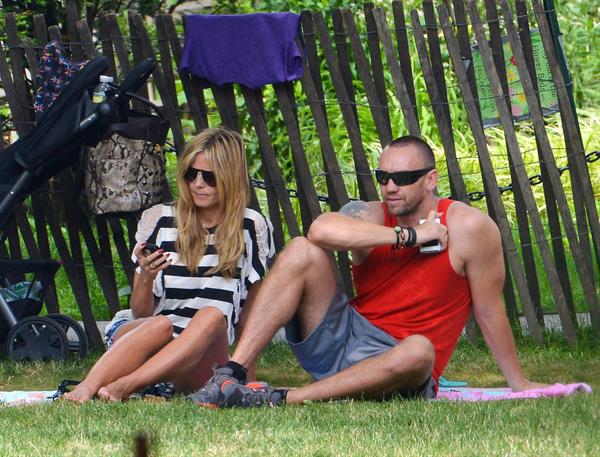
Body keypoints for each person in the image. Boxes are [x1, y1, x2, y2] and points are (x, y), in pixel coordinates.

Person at [188, 135, 548, 408]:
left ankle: (283, 398)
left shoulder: (471, 228)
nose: (391, 186)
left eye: (404, 177)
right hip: (343, 340)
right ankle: (230, 374)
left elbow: (488, 310)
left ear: (430, 179)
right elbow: (320, 231)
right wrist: (409, 236)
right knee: (301, 249)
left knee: (421, 350)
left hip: (399, 363)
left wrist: (518, 383)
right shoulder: (373, 215)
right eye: (384, 176)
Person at [64, 127, 274, 402]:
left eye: (209, 177)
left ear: (231, 177)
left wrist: (249, 376)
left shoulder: (250, 227)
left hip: (201, 352)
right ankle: (86, 388)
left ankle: (126, 385)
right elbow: (141, 313)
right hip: (149, 337)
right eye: (191, 174)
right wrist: (145, 277)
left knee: (213, 315)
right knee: (160, 325)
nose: (198, 184)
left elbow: (252, 313)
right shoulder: (161, 220)